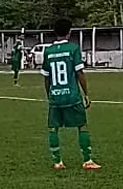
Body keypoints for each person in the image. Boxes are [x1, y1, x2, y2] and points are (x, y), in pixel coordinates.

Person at [42, 18, 99, 171]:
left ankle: (57, 162)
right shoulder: (73, 49)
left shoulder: (48, 51)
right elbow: (79, 72)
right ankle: (87, 160)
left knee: (53, 128)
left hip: (55, 96)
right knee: (82, 126)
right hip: (72, 96)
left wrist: (50, 95)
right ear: (69, 32)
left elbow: (46, 77)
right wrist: (86, 93)